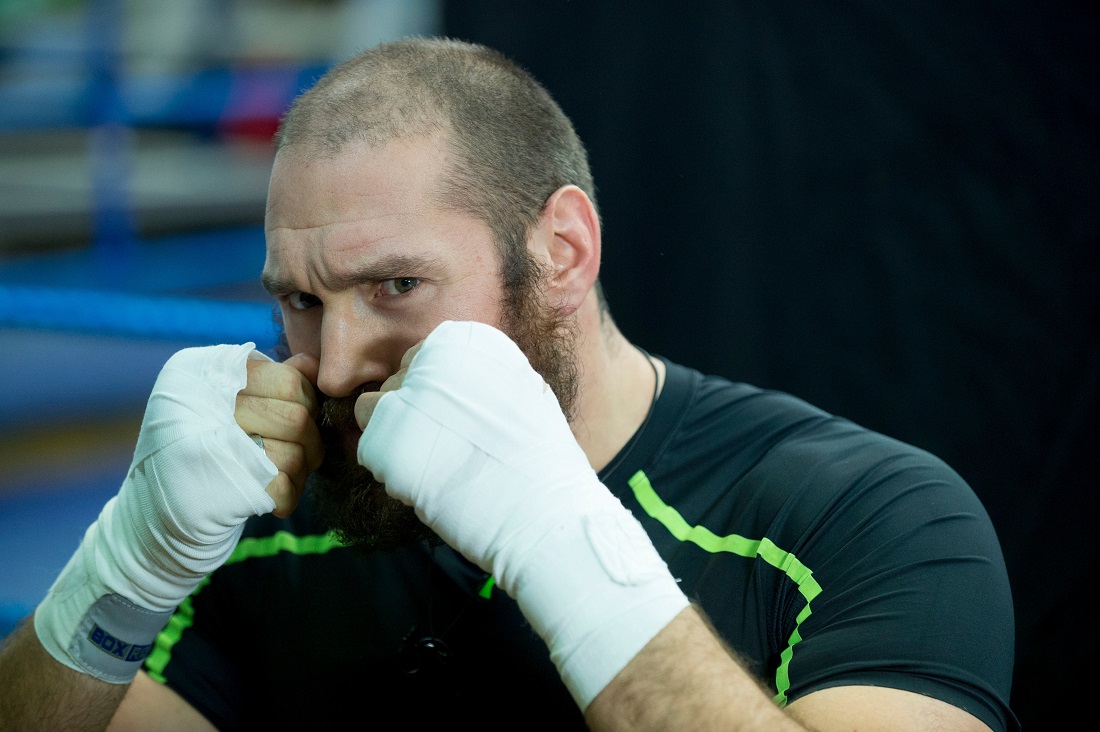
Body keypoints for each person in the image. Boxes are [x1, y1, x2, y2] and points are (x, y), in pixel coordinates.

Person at [0, 37, 1018, 732]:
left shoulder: (860, 515)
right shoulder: (264, 523)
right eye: (299, 301)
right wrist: (126, 563)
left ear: (563, 253)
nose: (338, 361)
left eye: (395, 285)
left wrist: (552, 537)